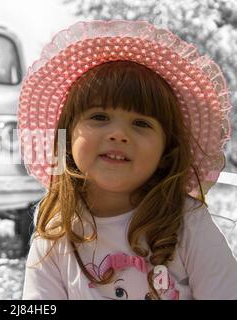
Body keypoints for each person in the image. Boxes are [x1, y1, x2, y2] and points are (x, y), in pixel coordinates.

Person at [17, 20, 237, 300]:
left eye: (141, 123)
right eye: (99, 117)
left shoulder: (188, 223)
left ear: (166, 151)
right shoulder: (55, 232)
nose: (118, 134)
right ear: (68, 137)